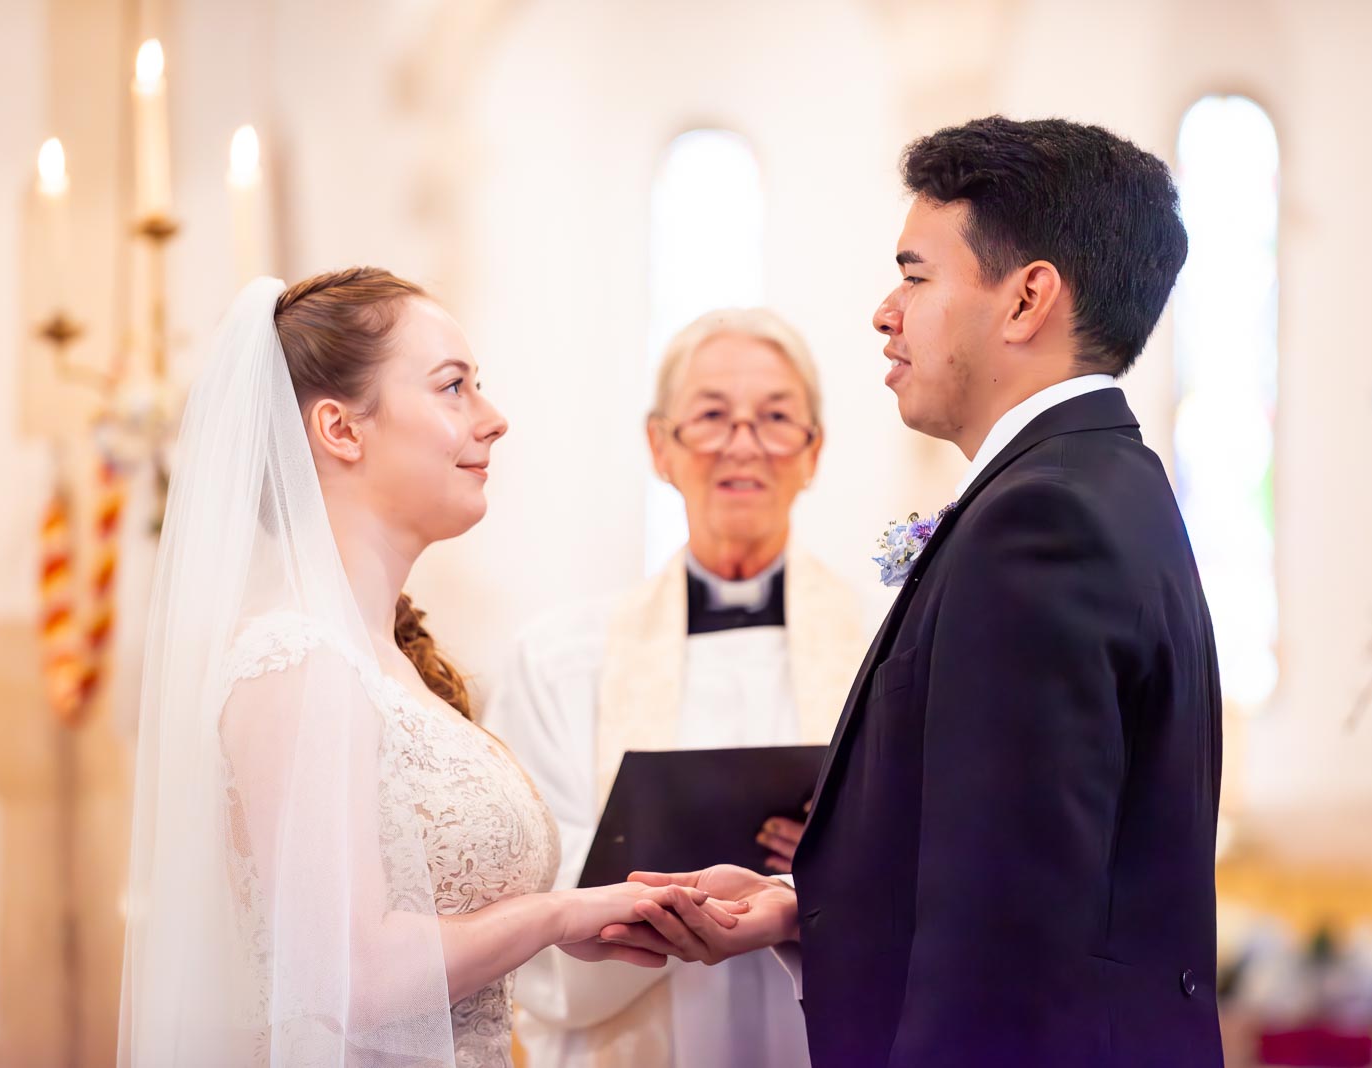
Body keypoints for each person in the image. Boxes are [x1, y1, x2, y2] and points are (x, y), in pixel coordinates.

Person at [606, 116, 1226, 1067]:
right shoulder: (1100, 484)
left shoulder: (1038, 525)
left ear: (1025, 301)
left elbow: (1010, 943)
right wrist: (804, 907)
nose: (885, 312)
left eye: (916, 274)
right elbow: (997, 872)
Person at [117, 268, 745, 1068]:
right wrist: (557, 917)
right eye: (454, 387)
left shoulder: (390, 664)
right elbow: (353, 976)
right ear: (341, 430)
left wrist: (617, 912)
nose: (493, 420)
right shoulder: (296, 663)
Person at [482, 309, 864, 1068]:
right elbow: (522, 866)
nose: (743, 444)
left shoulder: (889, 643)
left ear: (813, 451)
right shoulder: (563, 656)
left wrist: (841, 854)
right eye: (713, 416)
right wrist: (664, 886)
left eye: (777, 418)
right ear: (662, 446)